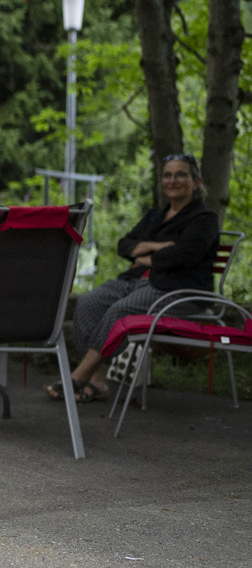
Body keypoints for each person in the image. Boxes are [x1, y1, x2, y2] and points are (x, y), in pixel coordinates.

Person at [47, 153, 219, 404]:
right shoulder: (155, 216)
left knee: (121, 310)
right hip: (137, 281)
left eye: (181, 174)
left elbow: (185, 255)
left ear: (196, 182)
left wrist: (149, 257)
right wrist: (159, 246)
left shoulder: (204, 219)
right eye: (167, 175)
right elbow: (124, 245)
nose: (173, 180)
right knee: (88, 303)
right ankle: (97, 381)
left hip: (180, 291)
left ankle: (78, 376)